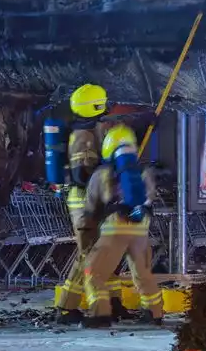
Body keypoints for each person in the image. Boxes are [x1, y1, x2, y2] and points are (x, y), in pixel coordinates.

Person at [53, 83, 127, 326]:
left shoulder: (92, 130)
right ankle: (66, 307)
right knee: (89, 254)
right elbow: (83, 174)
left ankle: (114, 302)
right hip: (85, 203)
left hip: (95, 200)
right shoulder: (83, 137)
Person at [79, 123, 164, 328]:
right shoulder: (144, 172)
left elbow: (90, 209)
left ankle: (100, 314)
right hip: (140, 229)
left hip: (115, 228)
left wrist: (86, 239)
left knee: (93, 272)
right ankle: (154, 313)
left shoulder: (102, 174)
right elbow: (150, 199)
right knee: (142, 273)